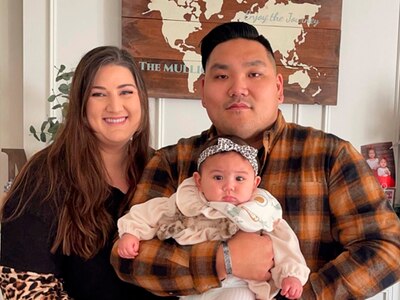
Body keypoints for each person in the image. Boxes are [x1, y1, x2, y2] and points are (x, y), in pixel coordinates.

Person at [111, 22, 400, 299]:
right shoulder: (172, 162)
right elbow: (129, 260)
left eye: (254, 74)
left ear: (278, 87)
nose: (238, 88)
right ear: (201, 89)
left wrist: (301, 295)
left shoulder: (329, 156)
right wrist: (223, 260)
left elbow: (387, 248)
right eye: (222, 76)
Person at [0, 46, 170, 299]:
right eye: (99, 94)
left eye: (126, 92)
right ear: (81, 104)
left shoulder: (161, 168)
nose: (115, 106)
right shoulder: (46, 174)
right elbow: (24, 281)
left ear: (141, 99)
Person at [117, 136, 310, 300]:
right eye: (218, 178)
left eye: (239, 179)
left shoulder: (259, 212)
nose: (229, 186)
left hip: (239, 287)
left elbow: (285, 244)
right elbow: (150, 212)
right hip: (191, 287)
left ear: (255, 183)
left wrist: (290, 275)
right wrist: (131, 233)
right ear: (199, 181)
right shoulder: (186, 203)